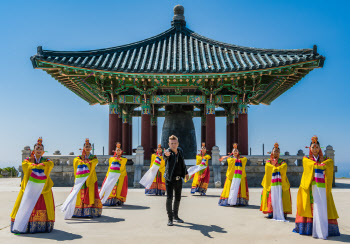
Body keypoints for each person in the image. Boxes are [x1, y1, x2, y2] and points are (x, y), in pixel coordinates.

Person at [293, 136, 340, 239]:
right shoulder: (306, 159)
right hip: (310, 186)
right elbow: (309, 165)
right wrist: (320, 165)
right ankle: (309, 228)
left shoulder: (325, 160)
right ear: (309, 148)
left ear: (320, 148)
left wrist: (322, 164)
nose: (315, 149)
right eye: (313, 147)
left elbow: (330, 163)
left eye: (317, 147)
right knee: (310, 206)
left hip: (322, 187)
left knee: (322, 205)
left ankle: (322, 228)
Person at [10, 137, 55, 233]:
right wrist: (38, 166)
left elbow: (50, 165)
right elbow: (25, 165)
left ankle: (42, 225)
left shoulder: (46, 160)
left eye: (40, 149)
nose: (39, 150)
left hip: (43, 186)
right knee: (26, 204)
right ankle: (24, 225)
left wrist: (36, 166)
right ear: (33, 150)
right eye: (37, 148)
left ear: (43, 151)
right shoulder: (28, 159)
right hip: (30, 186)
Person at [260, 143, 291, 220]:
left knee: (283, 194)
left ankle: (283, 211)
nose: (276, 152)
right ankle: (271, 211)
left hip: (281, 181)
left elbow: (284, 166)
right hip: (271, 181)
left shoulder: (282, 161)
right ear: (272, 152)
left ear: (279, 153)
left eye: (277, 151)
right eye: (275, 151)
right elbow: (267, 167)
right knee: (270, 194)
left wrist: (277, 169)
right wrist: (275, 168)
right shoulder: (269, 161)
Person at [71, 139, 102, 218]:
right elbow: (75, 161)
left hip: (90, 178)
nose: (87, 148)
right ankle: (77, 211)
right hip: (81, 178)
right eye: (86, 146)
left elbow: (94, 162)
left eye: (89, 147)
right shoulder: (80, 157)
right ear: (83, 148)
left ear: (91, 148)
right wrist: (82, 162)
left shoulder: (93, 157)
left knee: (89, 194)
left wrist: (86, 163)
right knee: (79, 194)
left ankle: (89, 211)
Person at [164, 135, 189, 226]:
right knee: (169, 198)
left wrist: (186, 173)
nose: (173, 145)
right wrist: (165, 155)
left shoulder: (180, 151)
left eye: (175, 143)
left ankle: (176, 216)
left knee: (178, 198)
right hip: (169, 179)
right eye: (171, 143)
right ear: (169, 144)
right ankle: (170, 218)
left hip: (179, 179)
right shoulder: (168, 152)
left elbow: (183, 163)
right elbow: (165, 157)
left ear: (177, 143)